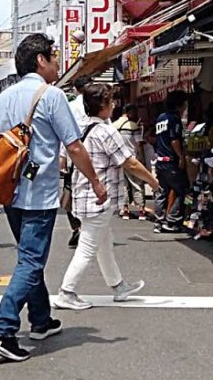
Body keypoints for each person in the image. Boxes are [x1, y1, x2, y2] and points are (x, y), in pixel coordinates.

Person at [0, 34, 107, 363]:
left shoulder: (4, 97)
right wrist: (95, 181)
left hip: (10, 193)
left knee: (28, 260)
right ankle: (2, 329)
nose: (58, 62)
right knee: (32, 263)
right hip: (39, 195)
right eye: (54, 56)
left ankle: (40, 320)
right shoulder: (51, 96)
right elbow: (74, 146)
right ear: (40, 61)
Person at [53, 85, 160, 311]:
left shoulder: (83, 128)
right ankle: (66, 292)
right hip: (98, 199)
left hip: (85, 196)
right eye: (110, 102)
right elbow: (129, 162)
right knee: (88, 248)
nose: (113, 106)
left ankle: (118, 286)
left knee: (104, 244)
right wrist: (152, 180)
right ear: (102, 106)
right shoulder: (107, 131)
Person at [59, 76, 92, 248]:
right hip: (94, 158)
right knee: (90, 192)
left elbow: (66, 134)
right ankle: (86, 228)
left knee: (70, 193)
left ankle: (78, 227)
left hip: (74, 157)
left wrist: (62, 158)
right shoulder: (98, 105)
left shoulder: (70, 107)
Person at [153, 90, 191, 234]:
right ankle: (173, 221)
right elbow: (174, 139)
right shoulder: (174, 119)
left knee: (161, 191)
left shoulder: (160, 118)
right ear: (179, 105)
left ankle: (159, 222)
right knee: (182, 190)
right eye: (184, 105)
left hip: (160, 160)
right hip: (171, 161)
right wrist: (181, 156)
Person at [113, 104, 145, 218]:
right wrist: (142, 158)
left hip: (118, 160)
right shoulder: (133, 125)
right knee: (137, 184)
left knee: (123, 185)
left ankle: (125, 210)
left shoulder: (113, 125)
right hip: (132, 159)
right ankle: (141, 210)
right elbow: (138, 143)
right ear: (129, 112)